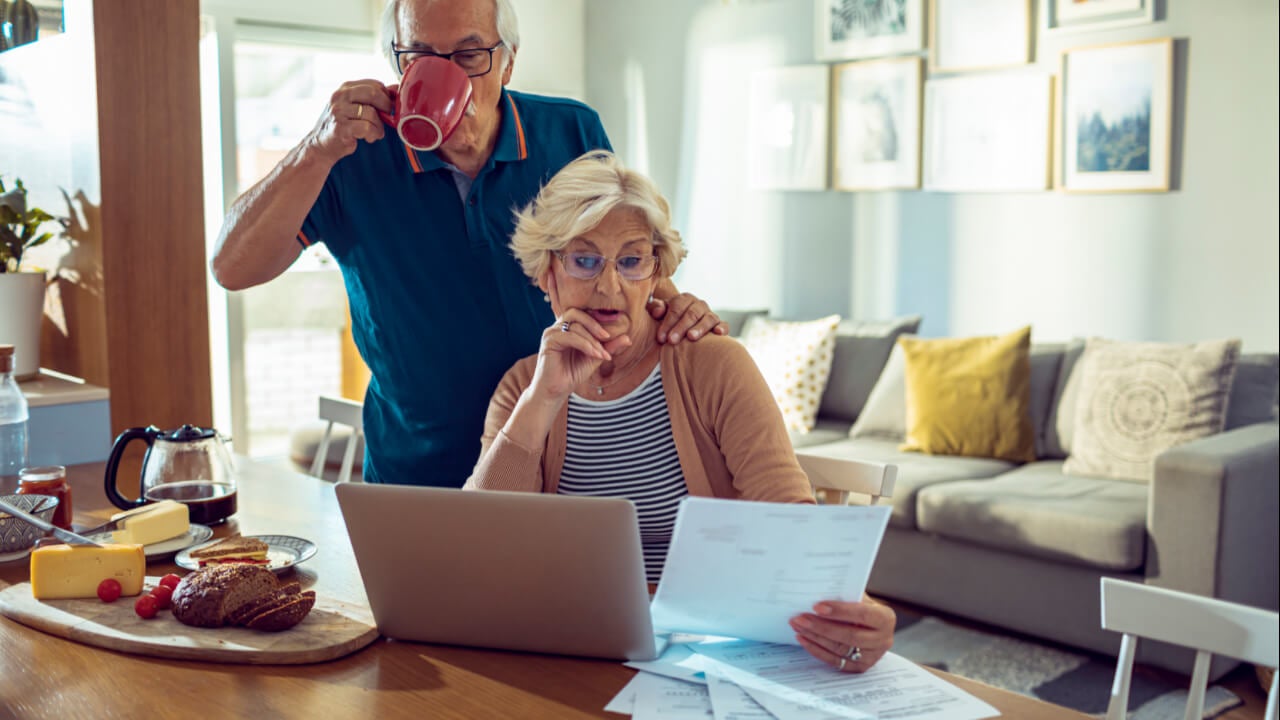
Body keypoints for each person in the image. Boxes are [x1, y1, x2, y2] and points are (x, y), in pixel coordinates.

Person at [210, 0, 724, 487]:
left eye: (470, 54)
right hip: (416, 474)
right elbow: (231, 268)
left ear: (508, 63)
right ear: (397, 62)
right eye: (420, 56)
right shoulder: (351, 154)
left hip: (561, 463)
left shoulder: (569, 130)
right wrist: (314, 149)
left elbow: (620, 254)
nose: (446, 72)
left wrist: (675, 305)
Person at [465, 151, 896, 673]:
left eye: (631, 261)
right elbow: (482, 546)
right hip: (572, 649)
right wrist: (544, 397)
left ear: (656, 272)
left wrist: (853, 616)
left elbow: (787, 516)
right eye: (584, 259)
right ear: (545, 273)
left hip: (703, 653)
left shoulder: (712, 364)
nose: (609, 286)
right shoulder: (522, 388)